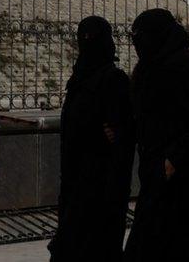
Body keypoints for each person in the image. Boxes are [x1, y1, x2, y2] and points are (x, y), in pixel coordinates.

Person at [124, 9, 189, 262]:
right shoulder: (148, 69)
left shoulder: (184, 69)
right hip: (153, 171)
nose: (137, 43)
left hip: (179, 176)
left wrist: (175, 158)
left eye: (141, 37)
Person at [49, 16, 134, 262]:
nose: (87, 42)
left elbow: (127, 129)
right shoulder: (79, 78)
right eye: (83, 37)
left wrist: (120, 134)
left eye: (92, 38)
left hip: (101, 189)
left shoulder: (114, 80)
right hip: (74, 183)